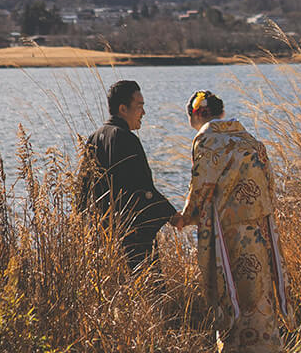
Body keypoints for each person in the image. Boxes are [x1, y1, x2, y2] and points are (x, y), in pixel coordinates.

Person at [173, 89, 289, 352]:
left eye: (191, 117)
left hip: (228, 235)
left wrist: (184, 217)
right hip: (260, 231)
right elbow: (270, 188)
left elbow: (202, 187)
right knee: (259, 296)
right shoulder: (249, 139)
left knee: (231, 295)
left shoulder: (208, 139)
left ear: (199, 113)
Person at [78, 77, 179, 270]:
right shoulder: (125, 138)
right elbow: (142, 189)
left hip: (103, 235)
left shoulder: (95, 136)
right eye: (139, 106)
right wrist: (172, 216)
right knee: (147, 285)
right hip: (130, 237)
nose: (144, 112)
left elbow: (82, 189)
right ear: (123, 109)